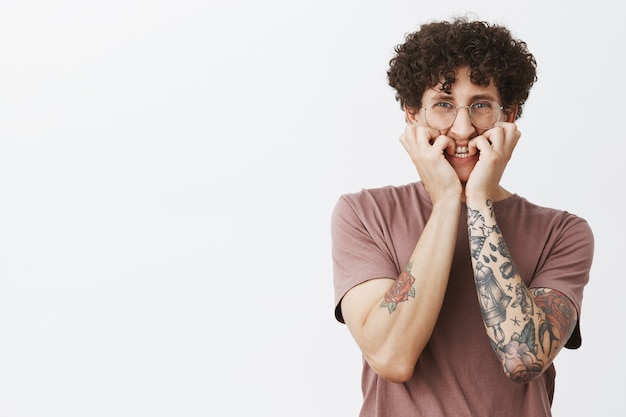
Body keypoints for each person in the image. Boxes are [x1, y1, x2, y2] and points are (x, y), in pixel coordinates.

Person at [331, 17, 594, 417]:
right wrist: (446, 202)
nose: (463, 127)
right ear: (412, 115)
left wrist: (480, 203)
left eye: (481, 105)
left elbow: (522, 358)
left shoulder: (562, 232)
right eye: (443, 105)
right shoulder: (365, 214)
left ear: (509, 114)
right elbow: (392, 357)